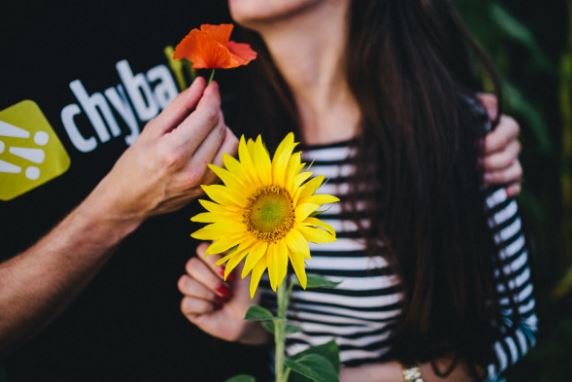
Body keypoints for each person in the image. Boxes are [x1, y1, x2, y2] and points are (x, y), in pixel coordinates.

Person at [179, 0, 536, 381]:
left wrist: (388, 378)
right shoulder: (231, 138)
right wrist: (254, 327)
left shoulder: (443, 130)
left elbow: (516, 326)